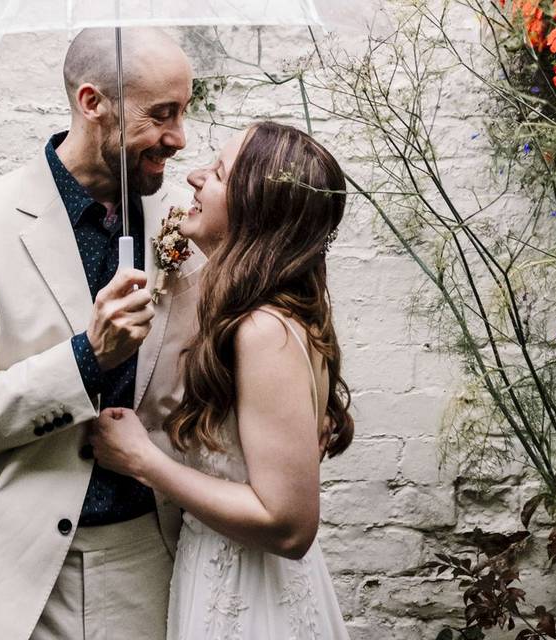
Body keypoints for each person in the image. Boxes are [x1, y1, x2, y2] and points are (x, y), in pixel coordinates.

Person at [0, 28, 203, 640]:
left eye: (184, 112)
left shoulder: (193, 219)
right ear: (93, 102)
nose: (179, 138)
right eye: (162, 115)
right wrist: (86, 358)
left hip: (149, 561)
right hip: (6, 573)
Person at [87, 121, 355, 639]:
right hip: (213, 575)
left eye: (217, 173)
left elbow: (290, 524)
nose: (192, 176)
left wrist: (143, 461)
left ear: (255, 210)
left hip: (250, 599)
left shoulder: (263, 330)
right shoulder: (260, 314)